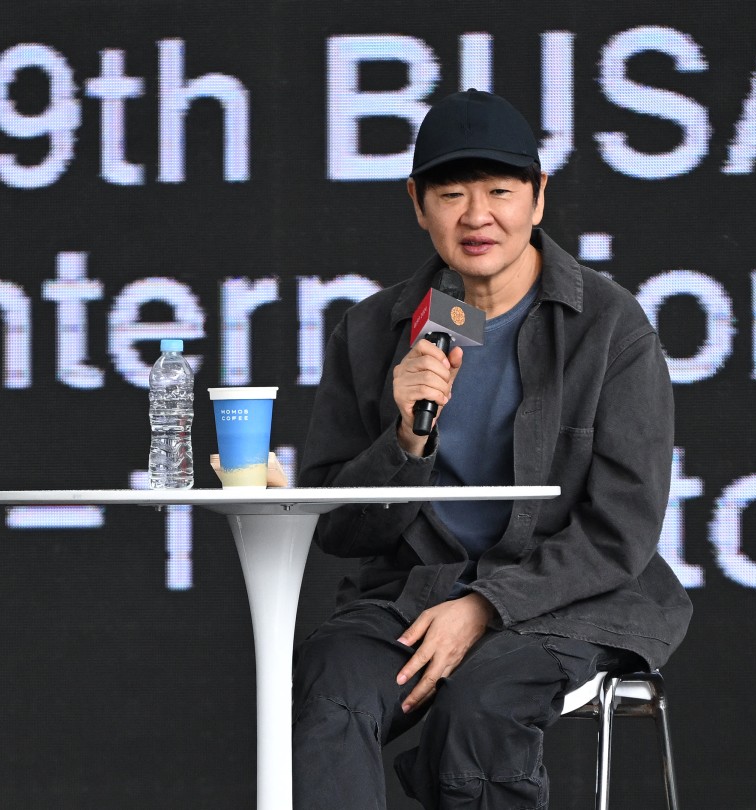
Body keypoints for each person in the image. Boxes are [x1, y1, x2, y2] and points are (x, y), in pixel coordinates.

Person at [293, 88, 692, 810]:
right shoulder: (375, 330)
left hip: (570, 603)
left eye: (501, 191)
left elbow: (619, 531)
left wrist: (485, 606)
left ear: (538, 198)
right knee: (331, 686)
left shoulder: (611, 326)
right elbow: (338, 527)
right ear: (418, 203)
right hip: (414, 597)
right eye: (451, 194)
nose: (477, 216)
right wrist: (406, 437)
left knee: (480, 706)